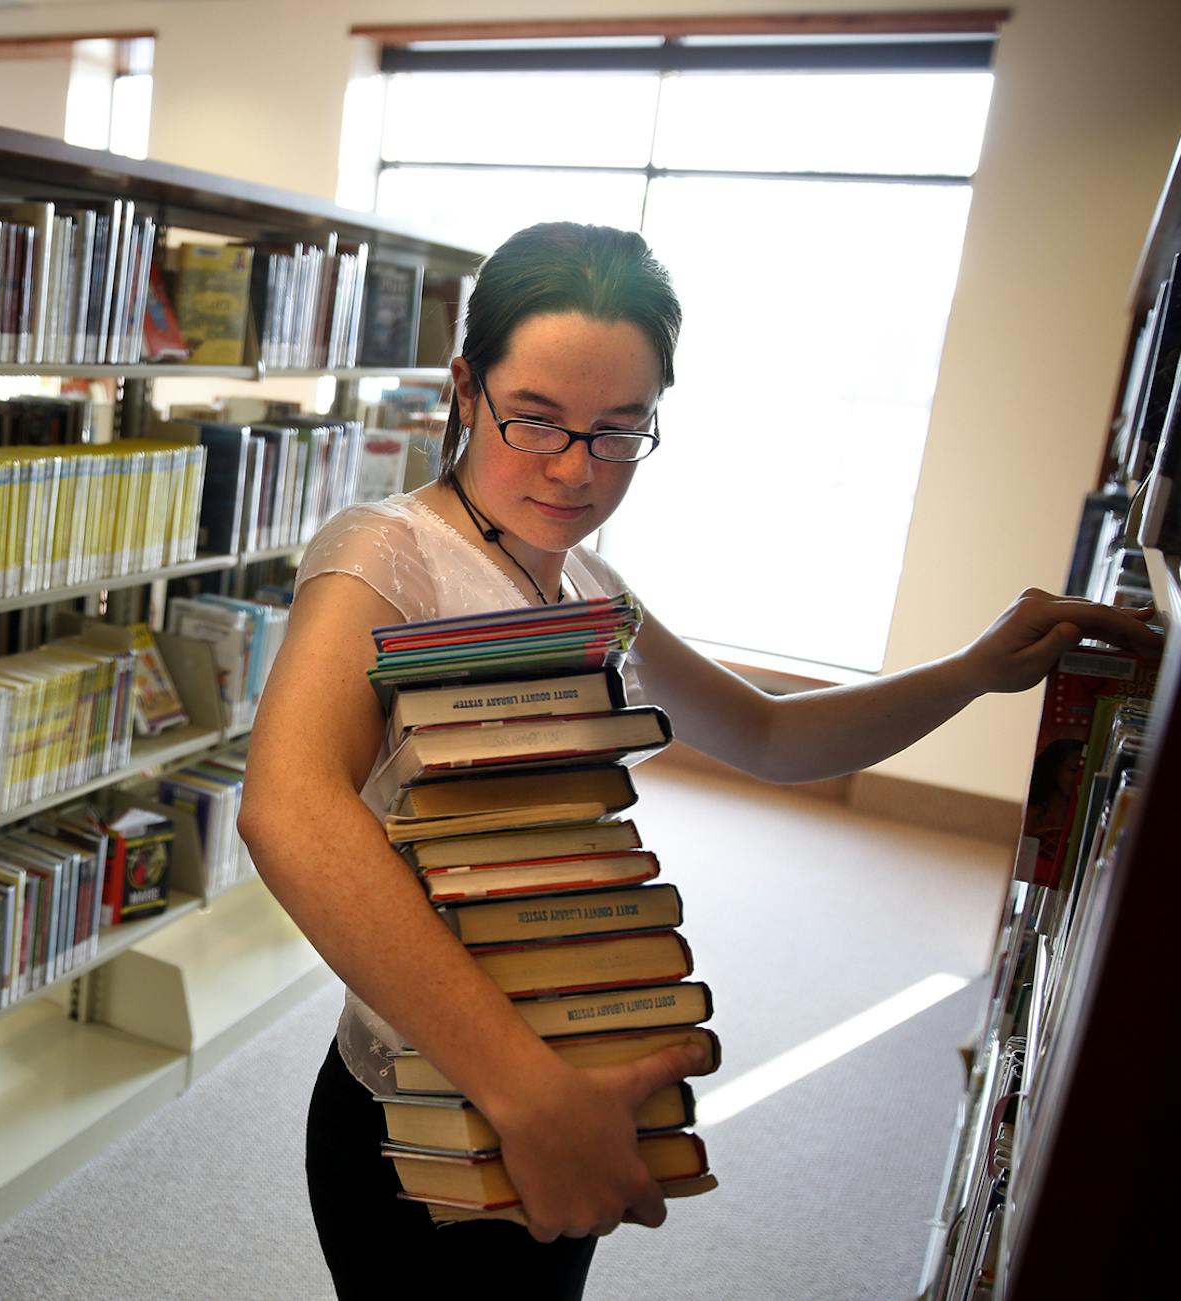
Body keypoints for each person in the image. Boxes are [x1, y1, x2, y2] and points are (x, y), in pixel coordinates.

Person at [235, 221, 1162, 1298]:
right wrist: (528, 1090)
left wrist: (969, 670)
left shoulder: (588, 583)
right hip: (435, 1104)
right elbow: (289, 808)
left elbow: (770, 734)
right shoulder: (381, 556)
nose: (575, 468)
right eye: (534, 419)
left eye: (619, 431)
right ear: (462, 385)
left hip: (574, 1083)